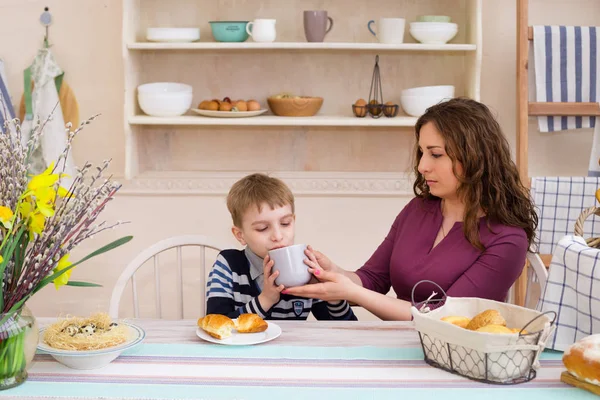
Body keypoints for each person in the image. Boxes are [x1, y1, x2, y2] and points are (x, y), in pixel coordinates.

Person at [283, 98, 538, 321]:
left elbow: (443, 318)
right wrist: (331, 273)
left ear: (475, 158)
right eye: (421, 152)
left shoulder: (507, 239)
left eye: (435, 154)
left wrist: (352, 292)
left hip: (457, 359)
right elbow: (373, 279)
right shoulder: (419, 209)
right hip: (400, 349)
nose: (422, 166)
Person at [206, 173, 356, 321]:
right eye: (262, 228)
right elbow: (217, 325)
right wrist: (265, 300)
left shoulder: (306, 266)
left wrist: (332, 295)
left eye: (285, 223)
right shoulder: (229, 264)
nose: (278, 236)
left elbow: (347, 330)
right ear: (240, 235)